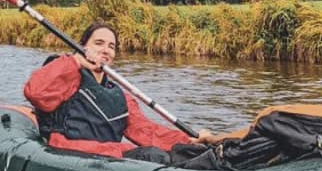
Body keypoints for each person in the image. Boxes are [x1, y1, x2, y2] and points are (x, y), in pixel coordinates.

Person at [22, 21, 216, 161]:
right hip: (66, 153)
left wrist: (188, 141)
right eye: (98, 43)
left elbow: (146, 131)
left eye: (111, 46)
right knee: (151, 156)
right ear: (84, 46)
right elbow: (35, 93)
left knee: (179, 153)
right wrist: (75, 61)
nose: (106, 50)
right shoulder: (66, 71)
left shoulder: (120, 95)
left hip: (107, 160)